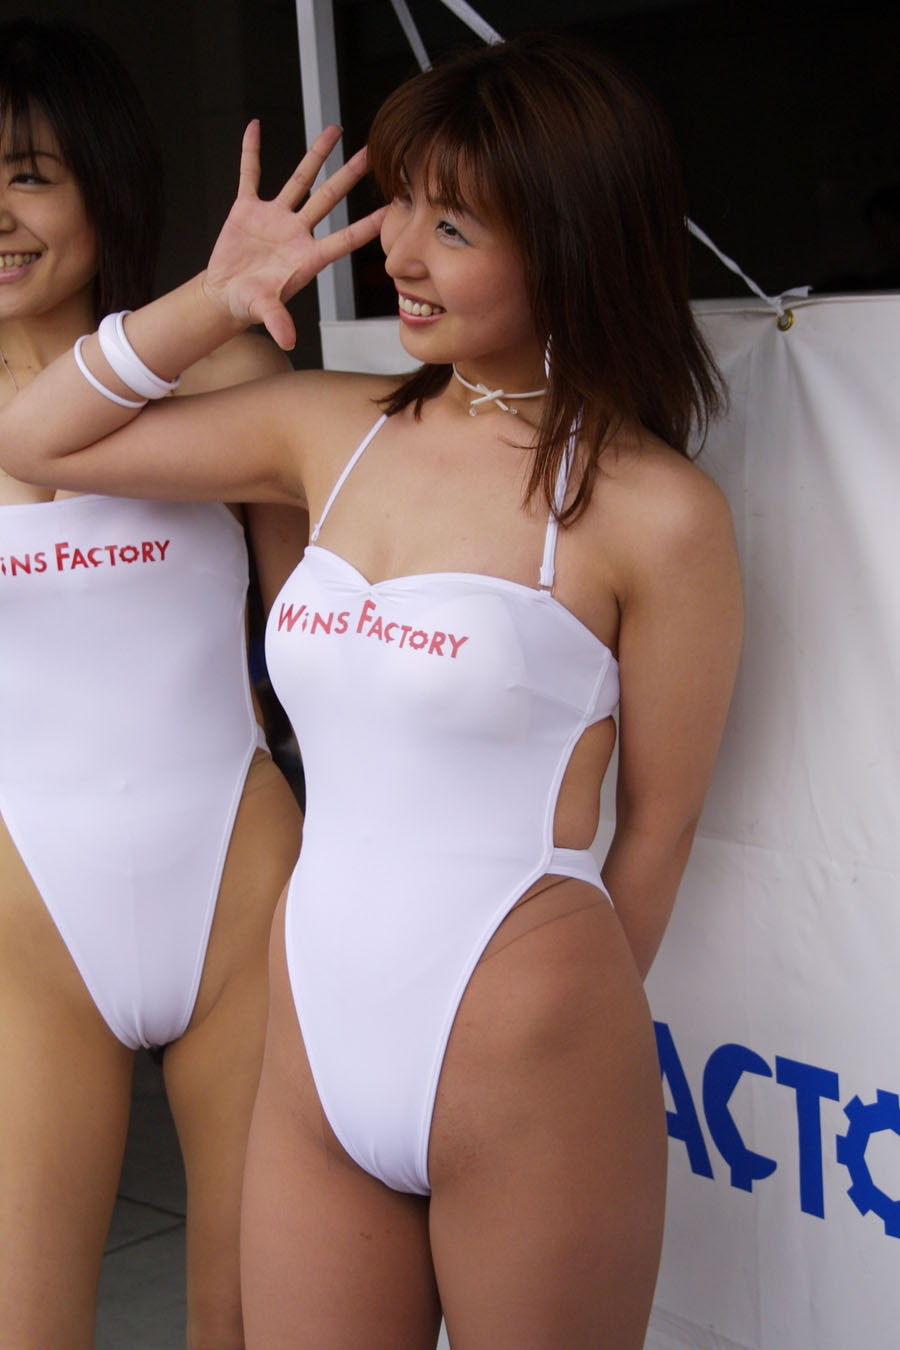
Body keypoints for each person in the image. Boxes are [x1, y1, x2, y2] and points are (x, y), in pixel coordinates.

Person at [0, 31, 743, 1349]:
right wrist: (216, 298)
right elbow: (35, 437)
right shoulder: (332, 429)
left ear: (570, 243)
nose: (396, 250)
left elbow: (660, 827)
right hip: (315, 1025)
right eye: (401, 206)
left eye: (450, 224)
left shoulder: (658, 512)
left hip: (516, 1031)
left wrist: (551, 1037)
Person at [0, 18, 304, 1349]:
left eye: (28, 175)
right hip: (27, 917)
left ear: (104, 182)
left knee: (244, 1318)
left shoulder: (225, 371)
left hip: (241, 884)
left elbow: (311, 629)